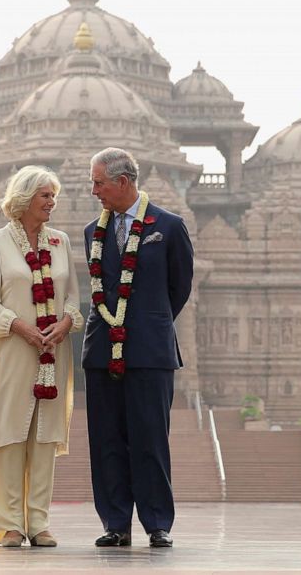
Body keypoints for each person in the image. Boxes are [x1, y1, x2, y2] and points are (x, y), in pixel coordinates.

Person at [82, 147, 194, 548]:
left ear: (122, 182)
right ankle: (115, 522)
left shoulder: (169, 226)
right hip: (100, 351)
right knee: (107, 440)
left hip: (150, 351)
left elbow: (178, 289)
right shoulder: (91, 232)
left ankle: (157, 522)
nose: (94, 191)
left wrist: (148, 322)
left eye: (98, 183)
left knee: (150, 438)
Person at [0, 165, 83, 548]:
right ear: (24, 199)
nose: (52, 203)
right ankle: (8, 524)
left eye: (54, 196)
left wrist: (65, 323)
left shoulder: (60, 242)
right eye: (45, 196)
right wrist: (24, 328)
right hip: (12, 349)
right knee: (6, 432)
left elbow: (72, 298)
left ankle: (38, 522)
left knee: (45, 435)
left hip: (53, 350)